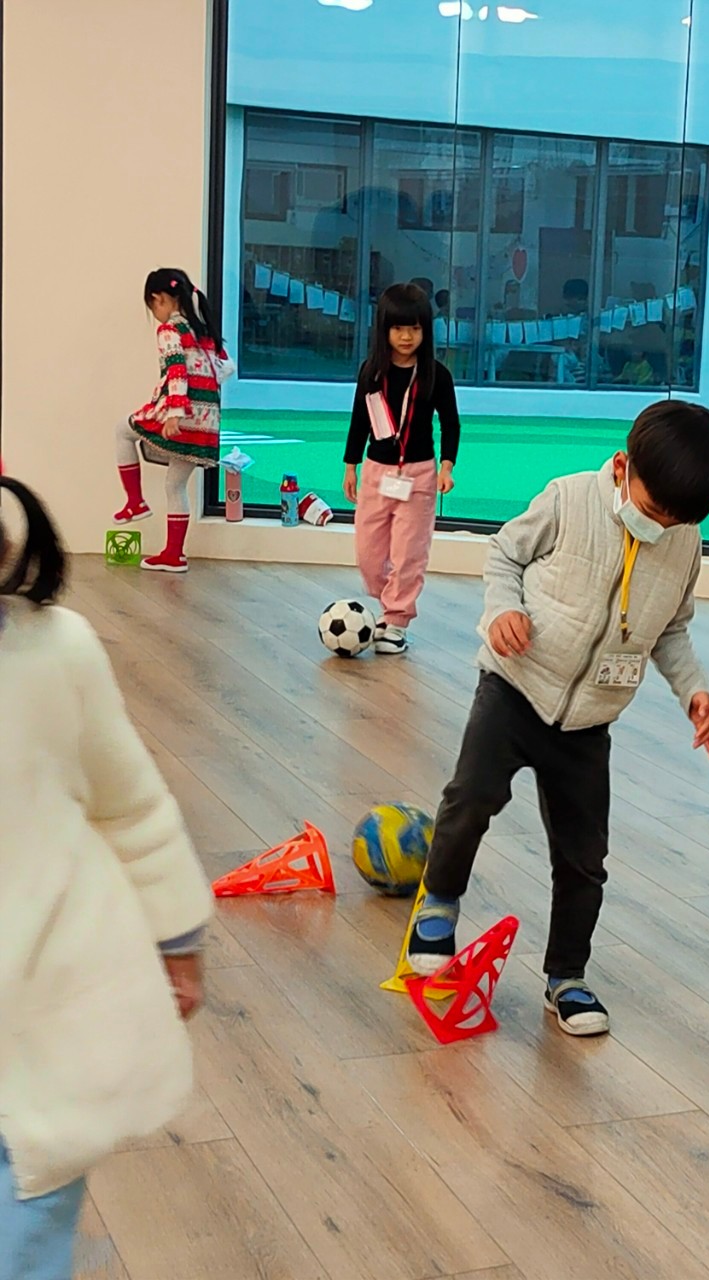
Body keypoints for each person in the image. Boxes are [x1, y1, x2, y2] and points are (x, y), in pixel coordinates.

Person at [405, 401, 709, 1035]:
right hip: (514, 687)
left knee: (585, 858)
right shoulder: (568, 499)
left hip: (588, 723)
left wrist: (693, 689)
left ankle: (567, 977)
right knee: (470, 799)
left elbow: (672, 628)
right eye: (653, 508)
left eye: (676, 520)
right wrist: (502, 611)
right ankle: (439, 904)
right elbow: (504, 556)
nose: (659, 526)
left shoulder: (684, 544)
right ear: (621, 466)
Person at [0, 475, 211, 1279]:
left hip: (50, 1011)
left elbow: (132, 805)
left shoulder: (57, 652)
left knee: (30, 1214)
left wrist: (176, 939)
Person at [343, 282, 461, 655]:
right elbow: (359, 420)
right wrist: (350, 466)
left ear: (426, 331)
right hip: (377, 472)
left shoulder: (436, 375)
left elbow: (451, 424)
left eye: (414, 328)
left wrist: (446, 467)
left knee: (410, 552)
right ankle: (387, 602)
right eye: (398, 328)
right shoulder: (371, 372)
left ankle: (396, 620)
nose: (406, 337)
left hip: (420, 474)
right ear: (384, 330)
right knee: (368, 554)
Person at [113, 268, 234, 573]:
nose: (155, 315)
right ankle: (174, 555)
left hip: (182, 414)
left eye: (152, 307)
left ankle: (135, 502)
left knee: (123, 430)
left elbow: (176, 369)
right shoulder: (204, 332)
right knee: (175, 484)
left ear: (160, 299)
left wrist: (174, 413)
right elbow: (227, 368)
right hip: (206, 423)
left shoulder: (170, 330)